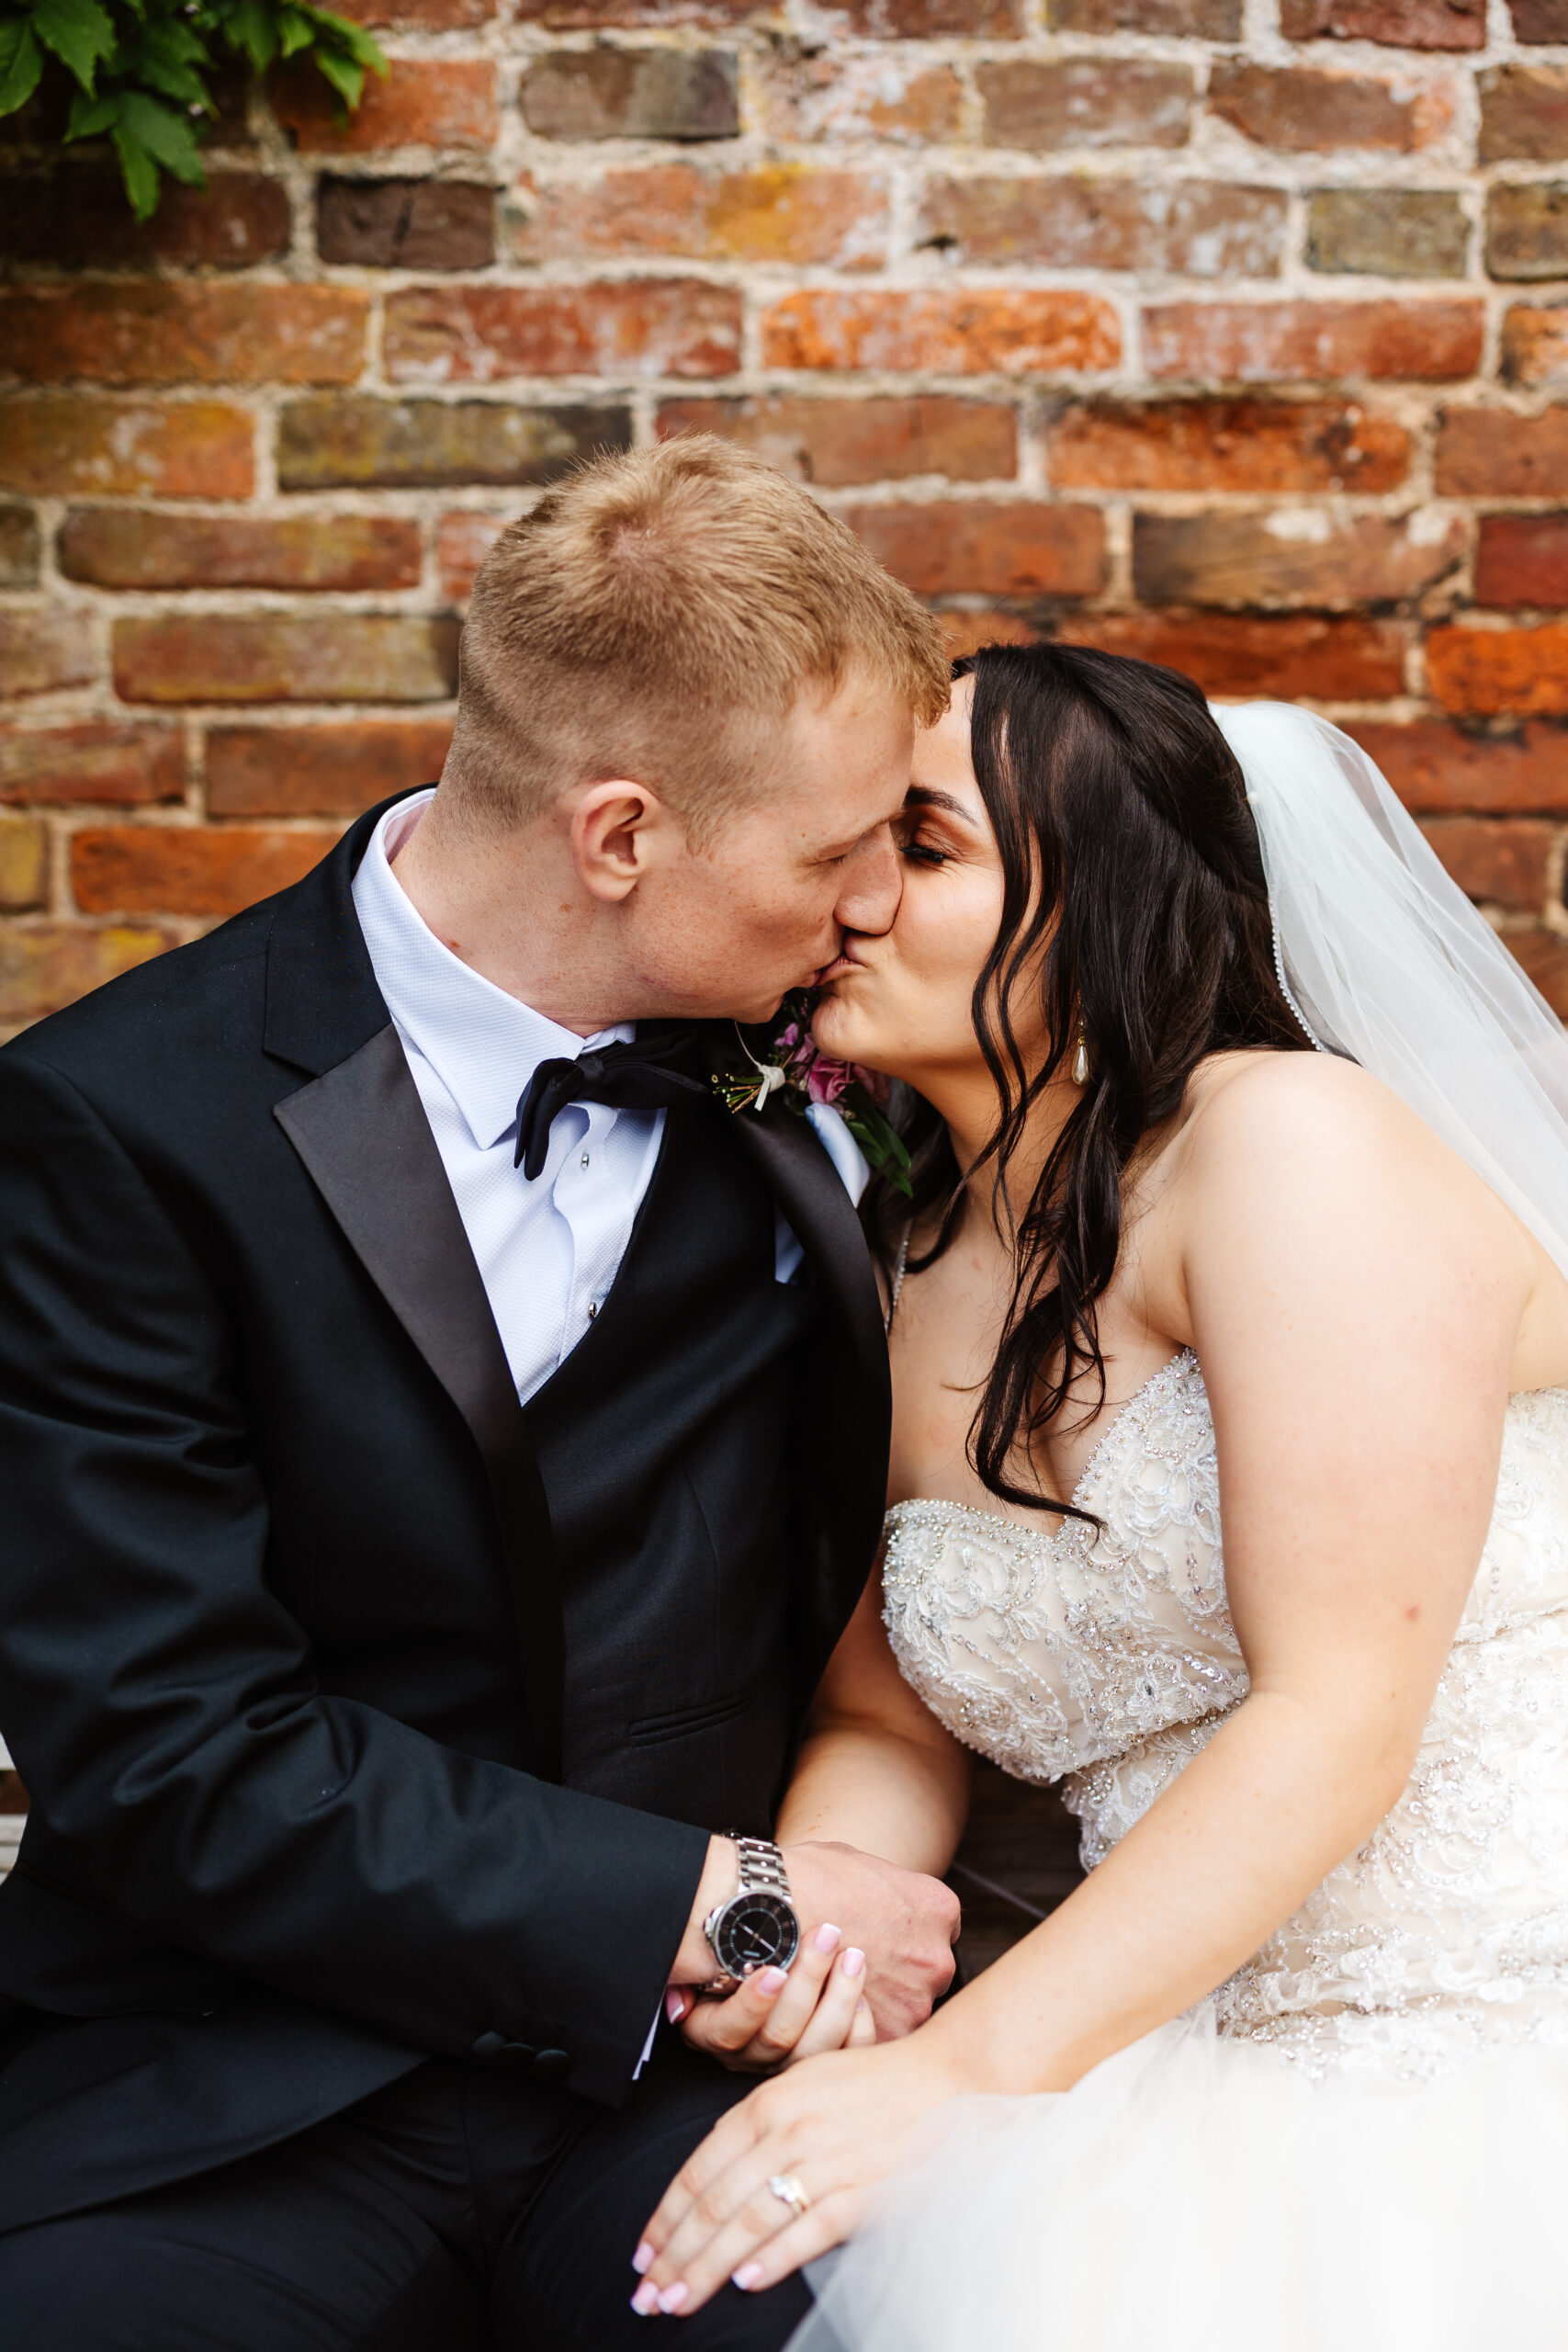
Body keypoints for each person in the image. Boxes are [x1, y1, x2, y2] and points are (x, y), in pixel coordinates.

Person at [0, 435, 963, 2351]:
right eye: (830, 849)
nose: (871, 903)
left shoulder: (823, 1066)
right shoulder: (117, 1127)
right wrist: (734, 1899)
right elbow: (174, 1752)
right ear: (617, 836)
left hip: (693, 2078)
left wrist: (792, 1941)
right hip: (250, 2076)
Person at [630, 642, 1568, 2349]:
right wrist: (810, 1940)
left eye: (922, 848)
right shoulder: (909, 1264)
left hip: (1491, 2049)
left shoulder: (1288, 1148)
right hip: (1163, 2043)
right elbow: (891, 1707)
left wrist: (956, 2075)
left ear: (1100, 902)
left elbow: (1341, 1707)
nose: (850, 896)